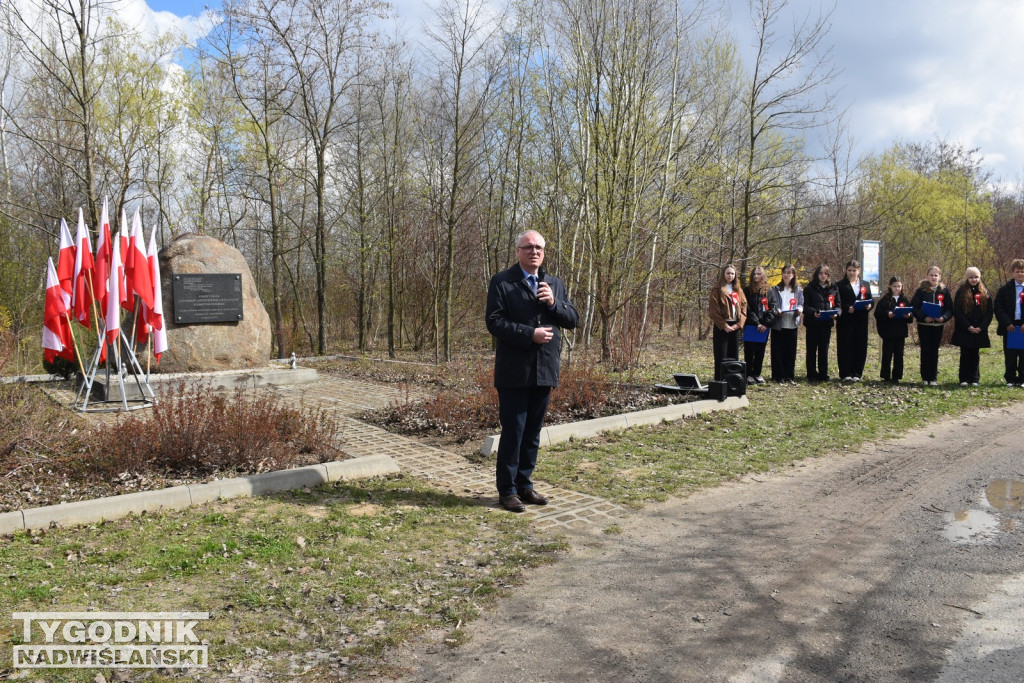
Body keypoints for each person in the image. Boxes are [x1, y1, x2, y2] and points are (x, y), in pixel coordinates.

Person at [486, 230, 579, 513]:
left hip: (544, 370)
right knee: (513, 431)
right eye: (528, 247)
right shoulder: (503, 282)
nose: (534, 251)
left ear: (544, 252)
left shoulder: (554, 283)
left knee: (533, 433)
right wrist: (530, 334)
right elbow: (494, 321)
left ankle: (525, 485)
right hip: (515, 371)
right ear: (517, 251)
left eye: (538, 247)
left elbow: (572, 319)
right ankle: (508, 490)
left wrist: (554, 303)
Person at [911, 265, 952, 386]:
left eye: (936, 275)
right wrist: (924, 317)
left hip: (937, 326)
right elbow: (914, 307)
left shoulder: (944, 291)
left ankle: (933, 378)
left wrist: (943, 317)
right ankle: (925, 377)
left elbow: (949, 308)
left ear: (940, 276)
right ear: (927, 276)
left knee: (934, 351)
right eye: (931, 275)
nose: (933, 277)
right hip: (924, 324)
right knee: (925, 350)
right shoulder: (921, 291)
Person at [951, 267, 993, 387]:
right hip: (965, 329)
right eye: (971, 277)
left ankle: (974, 378)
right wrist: (968, 326)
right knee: (965, 353)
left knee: (975, 354)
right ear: (967, 278)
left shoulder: (985, 291)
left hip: (979, 329)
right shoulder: (961, 292)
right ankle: (964, 378)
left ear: (979, 277)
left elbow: (990, 312)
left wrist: (981, 327)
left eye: (976, 277)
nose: (973, 279)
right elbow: (957, 311)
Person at [708, 264, 747, 381]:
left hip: (735, 327)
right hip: (722, 327)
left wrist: (738, 325)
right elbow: (713, 311)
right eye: (728, 273)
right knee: (721, 355)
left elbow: (744, 308)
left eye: (732, 274)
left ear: (735, 276)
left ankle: (732, 381)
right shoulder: (717, 290)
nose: (730, 276)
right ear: (723, 274)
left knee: (733, 356)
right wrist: (724, 325)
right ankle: (720, 381)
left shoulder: (738, 290)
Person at [836, 260, 873, 381]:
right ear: (846, 271)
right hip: (845, 321)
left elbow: (870, 300)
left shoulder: (865, 284)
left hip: (861, 320)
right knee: (845, 345)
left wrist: (869, 306)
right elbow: (838, 303)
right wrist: (847, 308)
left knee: (860, 346)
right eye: (849, 270)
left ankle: (857, 373)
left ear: (859, 271)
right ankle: (845, 373)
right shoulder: (839, 285)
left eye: (854, 270)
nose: (852, 273)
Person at [802, 264, 840, 381]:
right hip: (813, 323)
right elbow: (805, 306)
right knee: (812, 350)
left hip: (826, 324)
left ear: (828, 275)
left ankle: (823, 374)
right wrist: (813, 312)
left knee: (824, 350)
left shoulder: (833, 288)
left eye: (825, 273)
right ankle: (812, 374)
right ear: (817, 274)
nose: (823, 276)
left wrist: (836, 313)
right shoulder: (809, 288)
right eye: (821, 273)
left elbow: (838, 305)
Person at [874, 276, 914, 383]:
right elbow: (877, 313)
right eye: (895, 286)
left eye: (899, 286)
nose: (897, 288)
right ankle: (886, 376)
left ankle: (896, 376)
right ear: (890, 286)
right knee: (887, 355)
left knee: (899, 355)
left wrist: (908, 315)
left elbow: (911, 318)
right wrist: (888, 314)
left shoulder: (904, 299)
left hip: (900, 332)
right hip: (888, 332)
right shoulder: (885, 300)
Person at [993, 258, 1024, 387]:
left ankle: (1022, 379)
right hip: (1010, 327)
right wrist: (1007, 323)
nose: (1020, 274)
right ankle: (1010, 378)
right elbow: (999, 308)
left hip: (1023, 327)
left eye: (1023, 271)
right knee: (1010, 354)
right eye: (1017, 271)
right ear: (1012, 273)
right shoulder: (1005, 289)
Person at [770, 264, 803, 383]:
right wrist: (776, 310)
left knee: (790, 351)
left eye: (789, 273)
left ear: (793, 275)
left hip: (792, 323)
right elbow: (772, 304)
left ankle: (789, 375)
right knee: (778, 350)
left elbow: (800, 303)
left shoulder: (798, 289)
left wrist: (799, 309)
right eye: (785, 272)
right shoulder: (775, 289)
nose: (787, 275)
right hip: (779, 323)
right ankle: (778, 376)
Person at [742, 265, 775, 384]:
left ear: (763, 276)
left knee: (760, 351)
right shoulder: (746, 290)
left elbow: (773, 308)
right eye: (754, 274)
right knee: (750, 351)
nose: (756, 276)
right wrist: (757, 323)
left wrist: (766, 324)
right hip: (751, 325)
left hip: (764, 327)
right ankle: (748, 374)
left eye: (758, 274)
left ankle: (757, 373)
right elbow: (747, 309)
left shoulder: (769, 292)